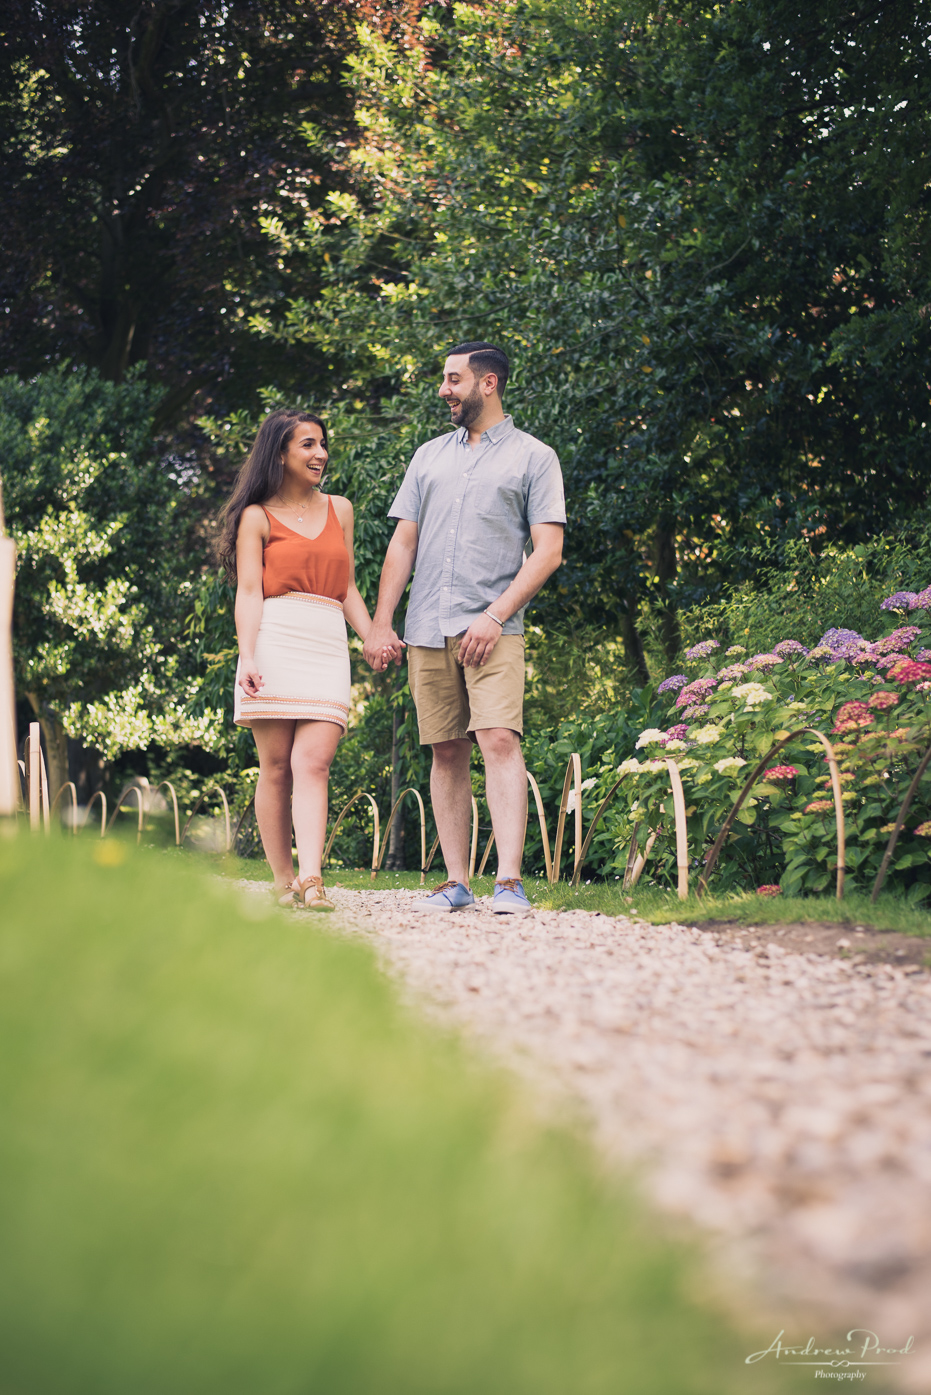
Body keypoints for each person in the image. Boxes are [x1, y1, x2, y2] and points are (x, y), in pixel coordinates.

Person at [362, 341, 566, 915]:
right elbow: (403, 543)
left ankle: (508, 883)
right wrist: (382, 622)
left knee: (499, 739)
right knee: (445, 750)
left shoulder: (534, 457)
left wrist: (496, 614)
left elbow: (548, 552)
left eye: (454, 380)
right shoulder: (427, 456)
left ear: (489, 383)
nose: (444, 389)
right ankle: (456, 883)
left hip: (494, 627)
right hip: (427, 625)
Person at [218, 408, 377, 910]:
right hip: (274, 639)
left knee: (316, 761)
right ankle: (283, 880)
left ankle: (313, 879)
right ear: (280, 453)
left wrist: (372, 636)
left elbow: (347, 586)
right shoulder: (256, 517)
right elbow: (248, 592)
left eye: (322, 443)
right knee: (276, 767)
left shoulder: (341, 509)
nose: (321, 453)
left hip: (327, 640)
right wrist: (246, 656)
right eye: (308, 444)